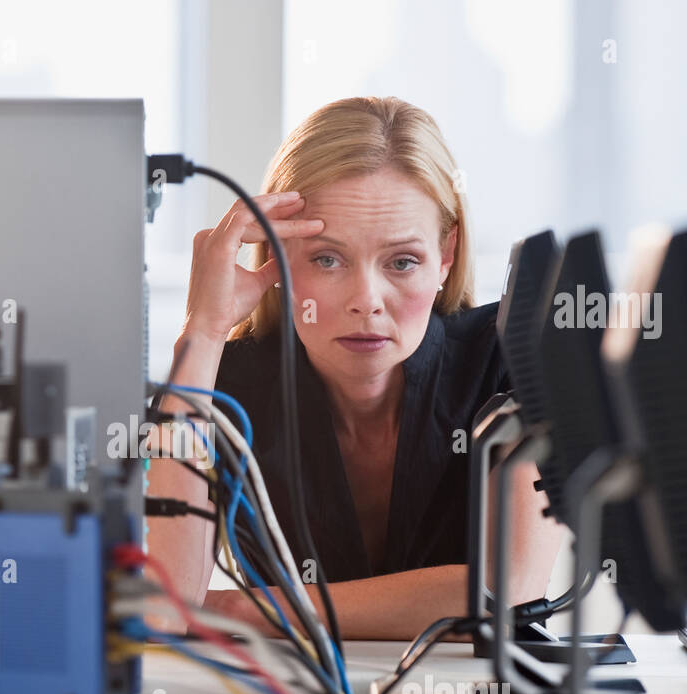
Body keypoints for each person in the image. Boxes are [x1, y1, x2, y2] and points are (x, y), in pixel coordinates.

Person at [146, 96, 565, 640]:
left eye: (402, 261)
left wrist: (239, 609)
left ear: (446, 255)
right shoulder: (223, 384)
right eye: (327, 258)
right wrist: (202, 333)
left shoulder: (509, 362)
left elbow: (506, 591)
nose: (367, 300)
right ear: (277, 257)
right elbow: (167, 603)